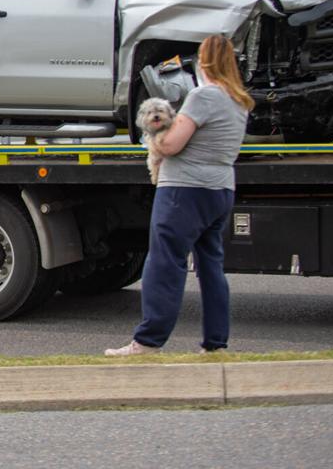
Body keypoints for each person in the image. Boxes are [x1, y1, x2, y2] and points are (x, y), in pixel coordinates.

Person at [105, 35, 253, 356]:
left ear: (206, 61)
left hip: (184, 190)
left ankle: (147, 341)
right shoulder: (240, 101)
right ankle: (216, 343)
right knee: (211, 268)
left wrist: (153, 141)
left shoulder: (203, 96)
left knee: (164, 264)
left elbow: (172, 144)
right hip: (221, 189)